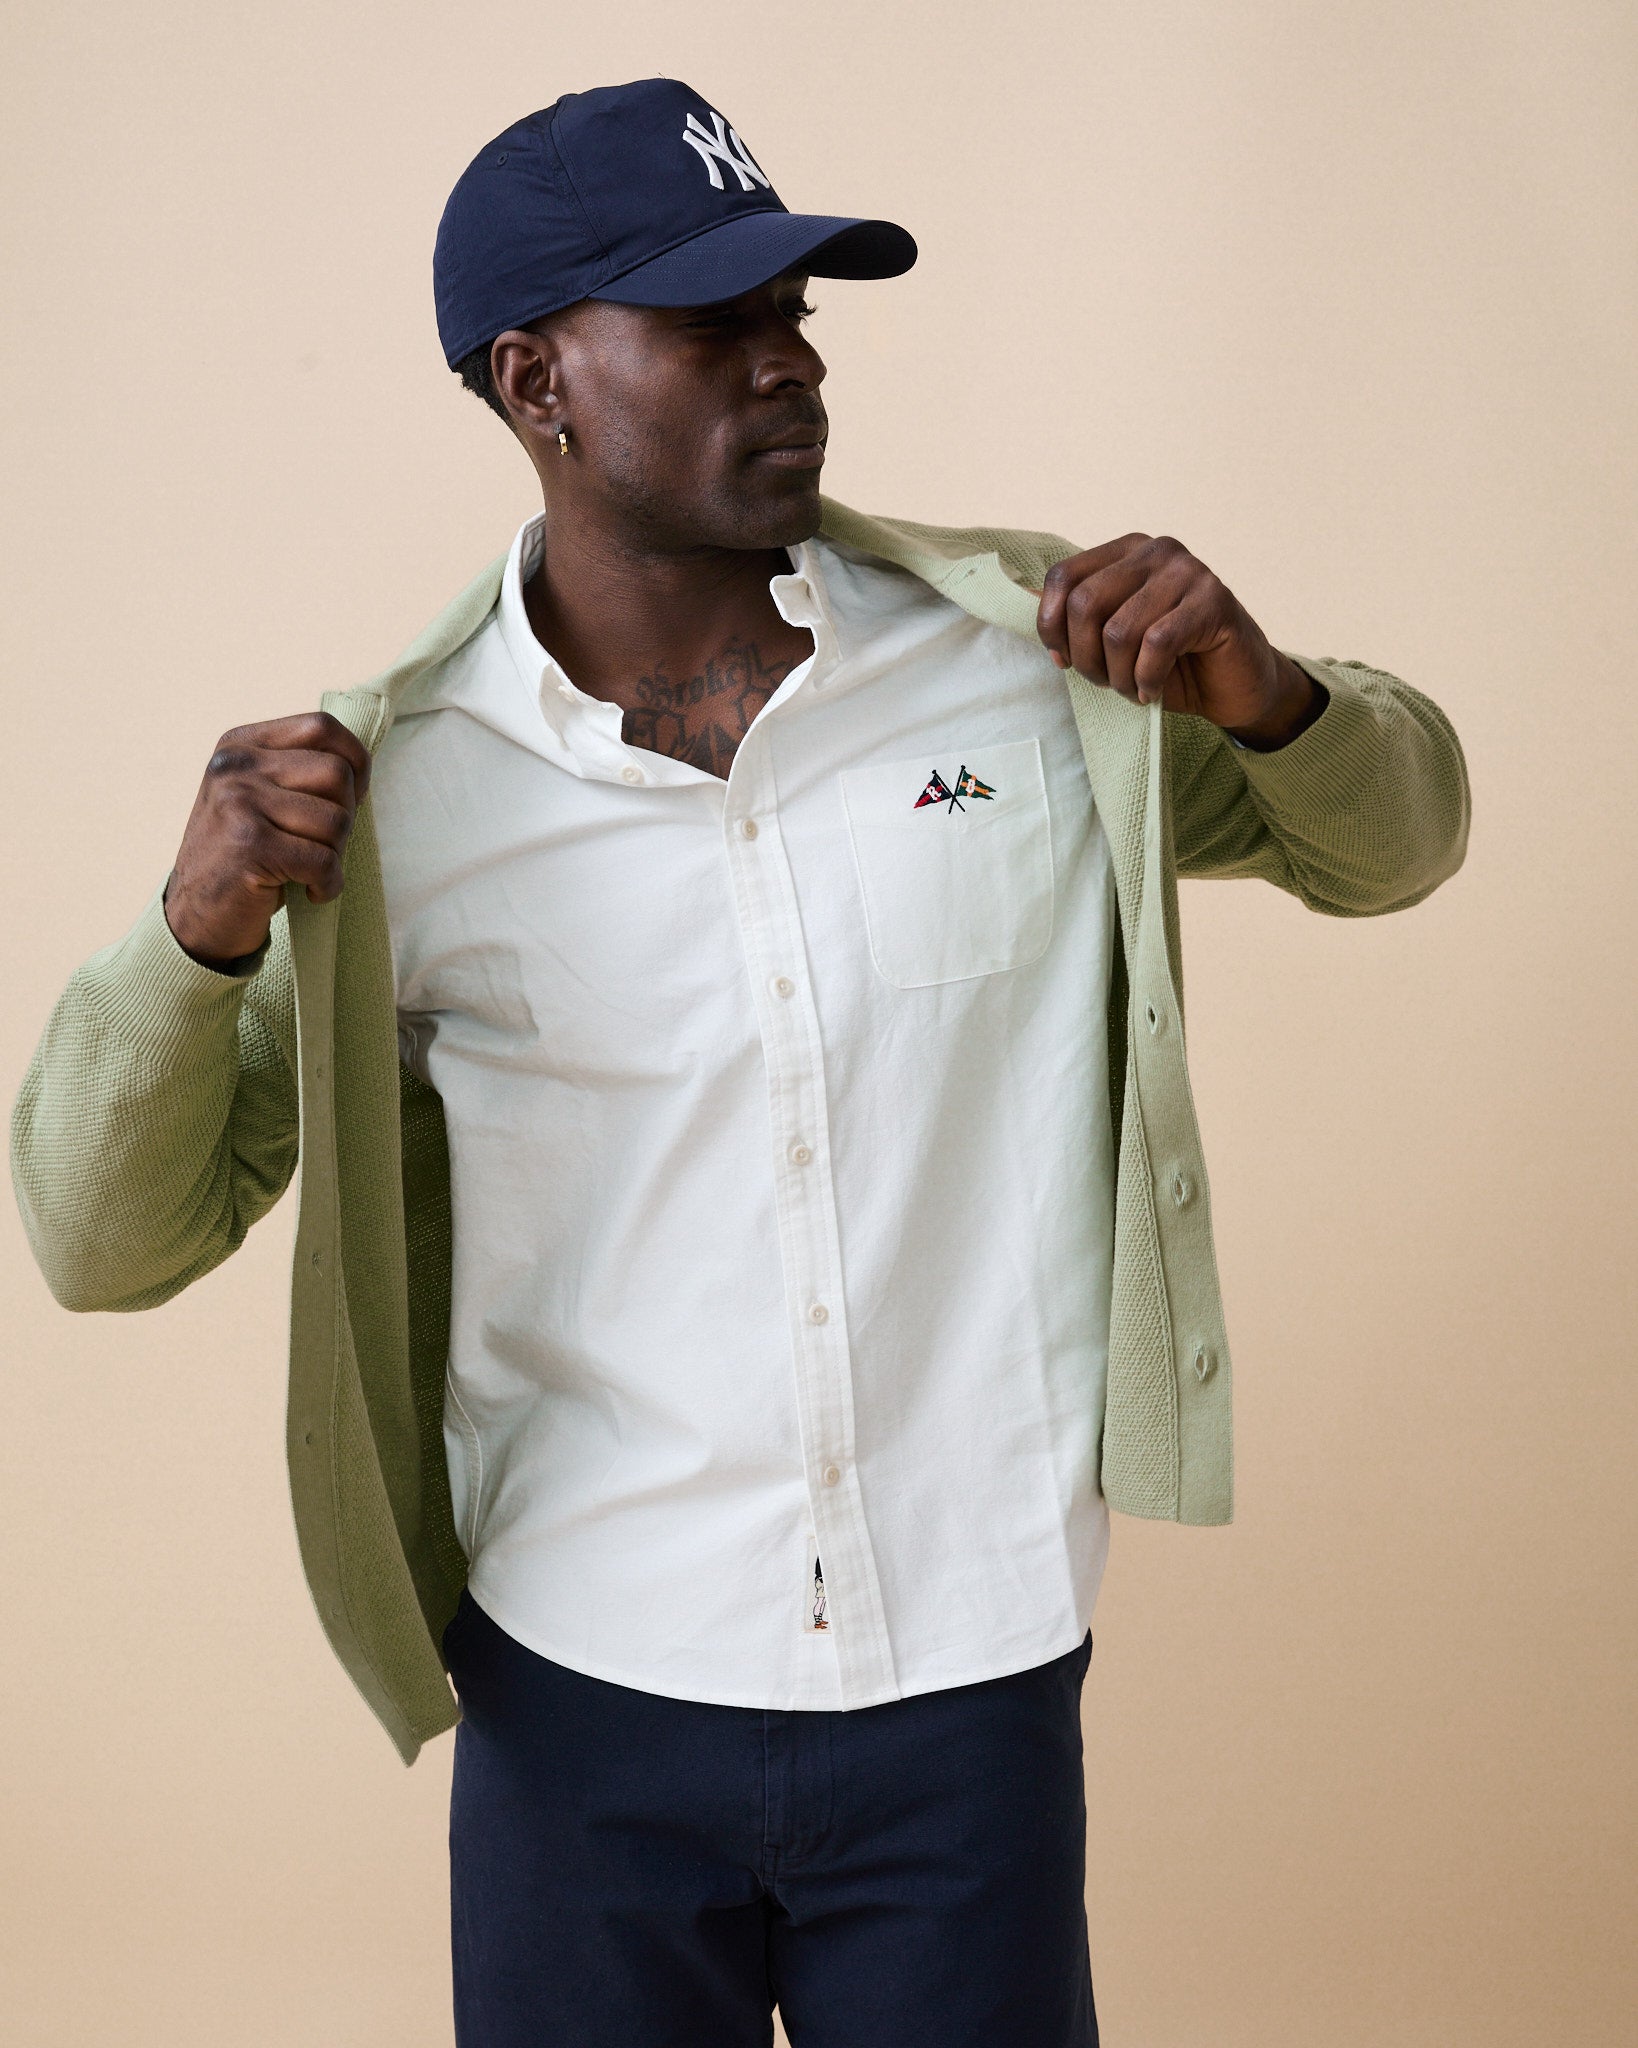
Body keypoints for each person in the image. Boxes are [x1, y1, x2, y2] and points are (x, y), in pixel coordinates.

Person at [10, 76, 1470, 2048]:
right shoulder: (399, 797)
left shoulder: (1030, 670)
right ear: (536, 380)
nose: (790, 363)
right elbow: (104, 1238)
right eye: (712, 326)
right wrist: (189, 936)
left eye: (795, 312)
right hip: (582, 1693)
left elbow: (1391, 848)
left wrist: (1276, 698)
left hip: (969, 1684)